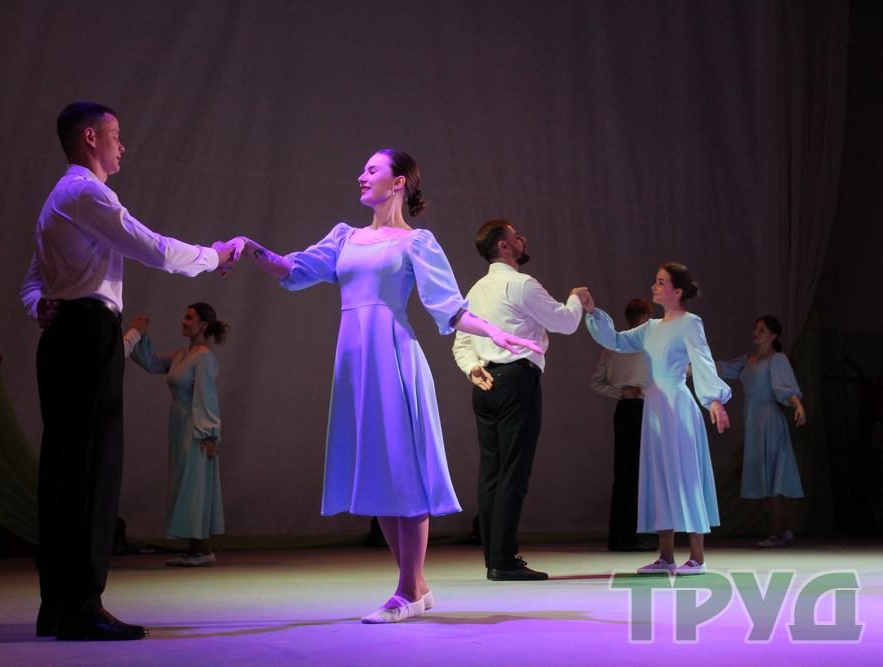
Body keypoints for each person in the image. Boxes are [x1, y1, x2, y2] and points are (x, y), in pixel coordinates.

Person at [235, 149, 543, 623]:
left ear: (398, 182)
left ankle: (408, 589)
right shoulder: (344, 237)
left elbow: (450, 307)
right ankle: (415, 586)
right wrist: (249, 247)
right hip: (355, 362)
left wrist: (494, 332)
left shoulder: (416, 242)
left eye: (372, 169)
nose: (362, 175)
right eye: (363, 169)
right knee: (376, 473)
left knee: (402, 469)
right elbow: (292, 270)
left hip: (394, 357)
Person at [20, 101, 240, 641]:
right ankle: (81, 607)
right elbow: (151, 247)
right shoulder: (85, 192)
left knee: (65, 472)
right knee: (94, 471)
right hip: (87, 335)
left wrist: (37, 304)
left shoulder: (60, 197)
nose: (123, 145)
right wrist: (213, 256)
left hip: (67, 335)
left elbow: (34, 278)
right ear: (90, 138)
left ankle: (59, 604)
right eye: (115, 134)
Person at [451, 219, 585, 581]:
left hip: (484, 383)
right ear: (504, 246)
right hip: (516, 380)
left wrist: (472, 368)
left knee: (491, 472)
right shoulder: (521, 284)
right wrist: (577, 297)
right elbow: (565, 322)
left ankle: (495, 558)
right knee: (513, 471)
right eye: (516, 235)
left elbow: (462, 341)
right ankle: (504, 561)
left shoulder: (476, 290)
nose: (523, 238)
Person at [582, 263, 731, 575]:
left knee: (685, 475)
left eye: (661, 282)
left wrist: (714, 399)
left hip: (677, 406)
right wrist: (593, 312)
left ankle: (697, 557)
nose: (654, 286)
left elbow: (702, 361)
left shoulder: (690, 323)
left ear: (677, 291)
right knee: (659, 477)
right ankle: (666, 556)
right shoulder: (650, 328)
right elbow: (616, 340)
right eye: (656, 281)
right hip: (654, 407)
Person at [129, 303, 227, 565]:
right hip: (179, 424)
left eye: (189, 318)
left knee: (195, 484)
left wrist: (209, 435)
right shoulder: (182, 355)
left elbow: (206, 396)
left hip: (195, 427)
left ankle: (203, 550)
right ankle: (196, 549)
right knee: (185, 482)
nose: (183, 321)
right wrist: (140, 335)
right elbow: (151, 363)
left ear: (202, 325)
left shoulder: (204, 357)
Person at [717, 315, 806, 548]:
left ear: (773, 335)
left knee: (771, 478)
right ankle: (782, 530)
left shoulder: (777, 359)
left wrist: (798, 406)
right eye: (756, 328)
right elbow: (724, 368)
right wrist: (697, 363)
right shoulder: (748, 360)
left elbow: (785, 387)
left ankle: (777, 533)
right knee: (761, 480)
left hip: (769, 422)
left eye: (762, 330)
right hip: (753, 422)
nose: (756, 332)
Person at [589, 298, 653, 552]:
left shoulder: (612, 346)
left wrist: (621, 393)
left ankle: (620, 535)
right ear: (645, 318)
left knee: (625, 472)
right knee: (639, 473)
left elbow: (596, 382)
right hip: (645, 411)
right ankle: (629, 535)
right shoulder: (648, 347)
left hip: (626, 410)